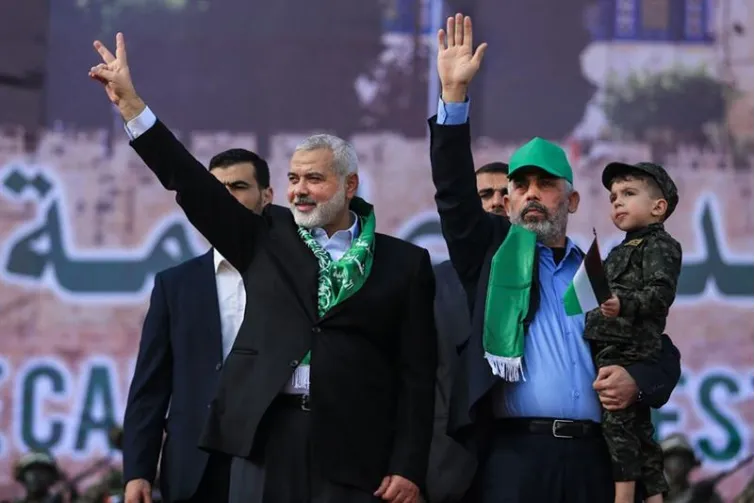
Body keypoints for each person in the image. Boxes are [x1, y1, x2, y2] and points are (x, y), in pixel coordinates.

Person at [89, 34, 437, 503]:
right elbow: (191, 183)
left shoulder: (404, 263)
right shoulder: (266, 239)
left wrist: (408, 465)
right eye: (293, 178)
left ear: (349, 185)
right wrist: (133, 108)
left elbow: (418, 377)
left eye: (314, 178)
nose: (299, 190)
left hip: (357, 450)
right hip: (266, 439)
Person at [427, 13, 683, 502]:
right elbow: (454, 196)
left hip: (592, 461)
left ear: (572, 201)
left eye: (545, 184)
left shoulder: (600, 272)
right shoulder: (491, 257)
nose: (531, 194)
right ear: (507, 200)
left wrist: (636, 381)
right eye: (520, 185)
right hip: (514, 458)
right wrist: (454, 97)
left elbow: (661, 353)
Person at [122, 149, 273, 503]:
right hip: (195, 467)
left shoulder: (296, 276)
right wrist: (138, 472)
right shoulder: (175, 285)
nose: (226, 198)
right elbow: (150, 388)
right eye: (217, 189)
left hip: (272, 460)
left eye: (239, 187)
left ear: (267, 196)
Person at [585, 162, 682, 503]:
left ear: (658, 207)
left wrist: (622, 304)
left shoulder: (661, 246)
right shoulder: (619, 249)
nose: (618, 202)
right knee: (639, 431)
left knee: (618, 424)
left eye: (628, 193)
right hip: (612, 345)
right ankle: (654, 496)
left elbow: (660, 294)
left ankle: (624, 498)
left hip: (629, 348)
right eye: (613, 197)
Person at [426, 161, 508, 503]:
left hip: (523, 466)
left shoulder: (554, 278)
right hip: (448, 469)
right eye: (484, 195)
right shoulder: (430, 283)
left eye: (506, 193)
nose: (497, 202)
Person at [662, 434, 723, 503]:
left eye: (684, 458)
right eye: (670, 457)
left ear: (690, 464)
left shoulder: (706, 496)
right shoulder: (655, 496)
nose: (677, 464)